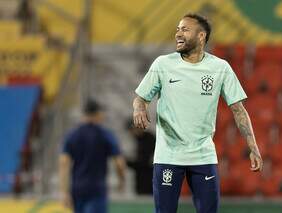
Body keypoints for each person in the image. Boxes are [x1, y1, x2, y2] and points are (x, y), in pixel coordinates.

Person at [132, 13, 263, 213]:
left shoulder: (220, 68)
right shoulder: (162, 64)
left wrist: (253, 147)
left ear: (201, 36)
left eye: (184, 29)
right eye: (177, 29)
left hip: (203, 156)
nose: (178, 34)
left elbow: (239, 110)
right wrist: (139, 108)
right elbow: (140, 98)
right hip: (168, 155)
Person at [59, 99, 126, 213]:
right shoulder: (105, 135)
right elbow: (119, 162)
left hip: (77, 188)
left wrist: (64, 192)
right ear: (97, 113)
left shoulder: (72, 135)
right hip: (97, 189)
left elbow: (64, 163)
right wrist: (121, 180)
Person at [126, 119, 155, 194]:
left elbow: (144, 162)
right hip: (141, 178)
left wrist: (126, 162)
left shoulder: (149, 139)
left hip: (149, 178)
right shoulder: (139, 139)